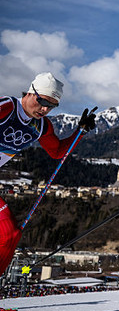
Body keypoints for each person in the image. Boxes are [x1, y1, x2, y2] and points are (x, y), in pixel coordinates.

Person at [0, 72, 97, 273]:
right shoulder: (8, 107)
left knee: (9, 234)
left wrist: (80, 131)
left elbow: (57, 152)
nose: (45, 109)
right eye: (42, 101)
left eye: (51, 106)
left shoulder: (41, 125)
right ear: (30, 91)